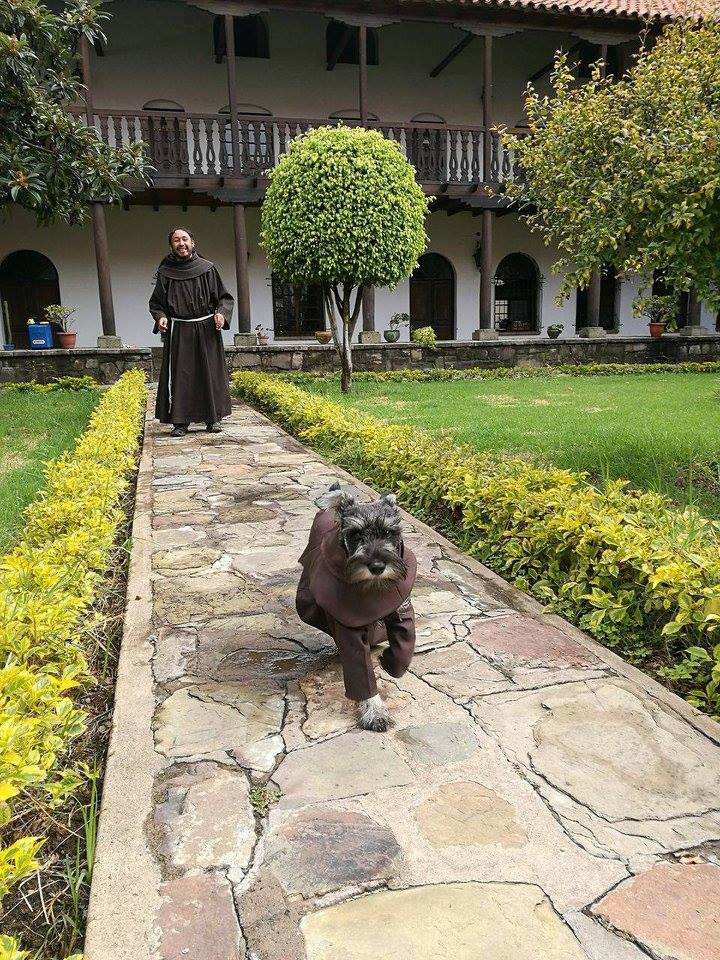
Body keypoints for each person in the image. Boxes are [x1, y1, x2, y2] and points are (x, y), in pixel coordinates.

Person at [150, 228, 233, 436]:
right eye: (176, 240)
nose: (181, 243)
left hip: (206, 329)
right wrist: (160, 317)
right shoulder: (164, 272)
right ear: (171, 245)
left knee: (210, 373)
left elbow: (224, 298)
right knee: (182, 375)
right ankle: (181, 421)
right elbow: (157, 302)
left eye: (184, 239)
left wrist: (221, 314)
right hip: (180, 330)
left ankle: (213, 419)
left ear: (192, 242)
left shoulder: (207, 269)